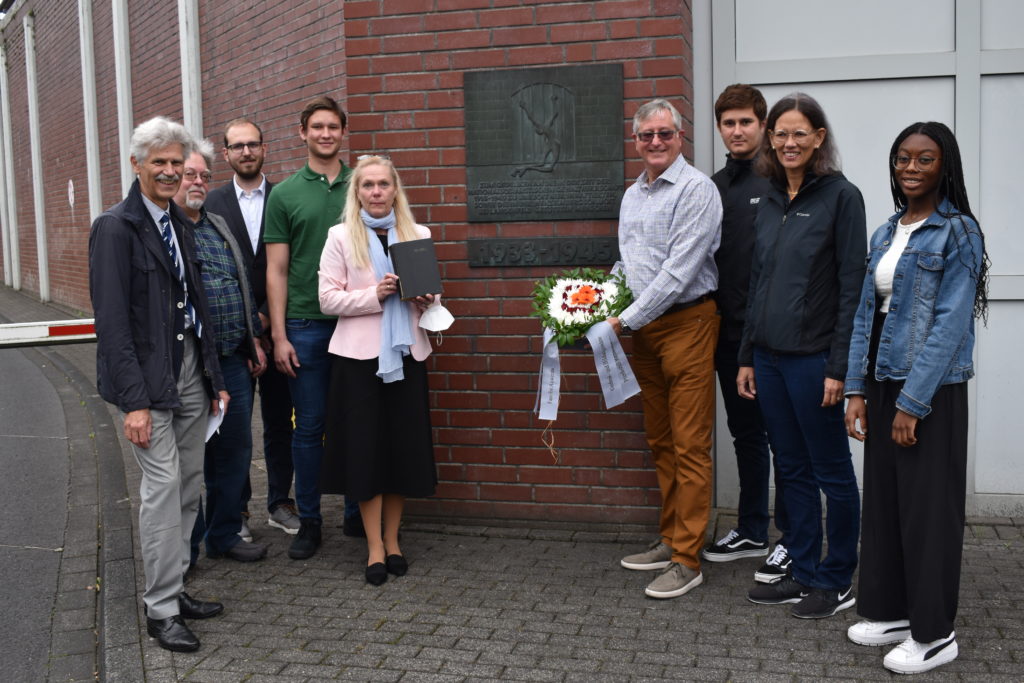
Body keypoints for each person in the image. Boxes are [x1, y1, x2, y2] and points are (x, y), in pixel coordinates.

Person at [844, 122, 988, 674]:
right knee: (884, 501)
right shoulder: (886, 232)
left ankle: (934, 634)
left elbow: (952, 324)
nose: (910, 167)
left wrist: (912, 403)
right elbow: (865, 314)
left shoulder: (959, 232)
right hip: (882, 378)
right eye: (902, 158)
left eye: (924, 159)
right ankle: (889, 612)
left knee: (928, 512)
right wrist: (858, 390)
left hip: (930, 388)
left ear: (943, 165)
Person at [89, 117, 227, 652]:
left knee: (189, 481)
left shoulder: (181, 222)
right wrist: (135, 403)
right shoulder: (116, 227)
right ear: (136, 166)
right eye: (160, 163)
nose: (170, 172)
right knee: (162, 489)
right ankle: (161, 608)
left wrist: (213, 376)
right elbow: (114, 324)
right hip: (149, 382)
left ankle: (176, 582)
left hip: (190, 370)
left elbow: (198, 309)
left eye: (177, 163)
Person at [737, 93, 866, 619]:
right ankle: (805, 570)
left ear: (818, 138)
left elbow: (851, 288)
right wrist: (747, 356)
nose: (790, 143)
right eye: (781, 134)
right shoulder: (768, 199)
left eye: (800, 133)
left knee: (831, 471)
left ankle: (837, 580)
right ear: (771, 139)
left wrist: (841, 367)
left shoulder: (842, 197)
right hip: (767, 358)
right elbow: (758, 284)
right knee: (790, 469)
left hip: (815, 360)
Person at [609, 98, 723, 600]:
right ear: (635, 141)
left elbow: (678, 271)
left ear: (680, 137)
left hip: (687, 325)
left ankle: (687, 559)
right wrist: (594, 302)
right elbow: (629, 262)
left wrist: (624, 318)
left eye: (664, 134)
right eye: (645, 135)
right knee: (660, 440)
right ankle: (672, 536)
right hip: (645, 332)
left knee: (690, 445)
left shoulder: (698, 190)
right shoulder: (632, 194)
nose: (655, 142)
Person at [318, 155, 439, 585]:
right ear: (357, 192)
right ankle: (372, 547)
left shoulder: (418, 234)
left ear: (394, 190)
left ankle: (394, 541)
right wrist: (376, 294)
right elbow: (327, 300)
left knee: (400, 451)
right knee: (367, 451)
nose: (375, 192)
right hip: (358, 362)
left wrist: (427, 301)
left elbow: (435, 303)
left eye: (383, 184)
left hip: (407, 355)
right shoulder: (339, 237)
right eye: (367, 185)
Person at [264, 95, 360, 560]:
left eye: (333, 127)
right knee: (310, 429)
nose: (326, 134)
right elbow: (276, 270)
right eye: (317, 127)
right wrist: (279, 336)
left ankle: (361, 513)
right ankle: (310, 521)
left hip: (361, 320)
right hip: (306, 326)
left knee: (358, 422)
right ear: (302, 133)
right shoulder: (283, 195)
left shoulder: (362, 187)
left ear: (344, 132)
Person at [702, 84, 791, 584]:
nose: (737, 131)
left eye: (746, 122)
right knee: (746, 434)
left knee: (784, 438)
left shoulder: (780, 183)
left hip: (773, 336)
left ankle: (792, 539)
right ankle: (753, 530)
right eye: (728, 123)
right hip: (725, 333)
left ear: (763, 126)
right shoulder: (711, 186)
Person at [205, 118, 301, 538]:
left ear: (265, 149)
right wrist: (248, 322)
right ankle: (236, 511)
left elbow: (295, 265)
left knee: (281, 422)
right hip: (233, 338)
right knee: (234, 428)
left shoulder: (287, 198)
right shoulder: (208, 205)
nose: (245, 152)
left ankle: (279, 502)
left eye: (252, 145)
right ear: (225, 153)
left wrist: (265, 315)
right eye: (236, 146)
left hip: (280, 327)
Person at [174, 141, 269, 563]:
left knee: (234, 451)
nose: (197, 182)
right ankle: (186, 549)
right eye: (189, 174)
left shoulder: (216, 224)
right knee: (190, 461)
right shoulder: (165, 229)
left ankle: (224, 534)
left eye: (203, 176)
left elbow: (241, 285)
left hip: (232, 359)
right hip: (189, 366)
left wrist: (252, 343)